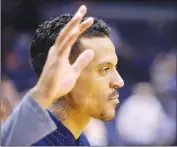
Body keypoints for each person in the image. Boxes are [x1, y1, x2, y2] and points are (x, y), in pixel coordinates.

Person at [1, 5, 124, 146]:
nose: (119, 81)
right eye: (104, 69)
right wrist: (43, 93)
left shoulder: (80, 140)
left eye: (115, 67)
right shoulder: (29, 142)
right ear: (62, 74)